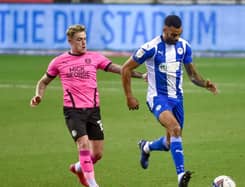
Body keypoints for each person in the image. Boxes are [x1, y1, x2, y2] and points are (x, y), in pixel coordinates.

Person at [30, 24, 144, 187]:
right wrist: (38, 95)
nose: (83, 43)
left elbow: (120, 69)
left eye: (85, 39)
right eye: (79, 40)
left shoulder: (95, 57)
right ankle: (92, 184)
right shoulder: (58, 62)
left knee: (97, 154)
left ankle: (78, 168)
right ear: (70, 41)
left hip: (93, 111)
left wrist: (141, 75)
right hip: (73, 111)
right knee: (83, 144)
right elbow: (43, 82)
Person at [121, 15, 218, 187]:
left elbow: (192, 75)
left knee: (169, 142)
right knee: (175, 128)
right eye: (173, 34)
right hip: (157, 98)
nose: (176, 38)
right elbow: (125, 68)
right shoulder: (150, 47)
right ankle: (181, 174)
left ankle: (146, 147)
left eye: (179, 34)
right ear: (164, 30)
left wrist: (205, 84)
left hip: (177, 100)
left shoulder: (184, 46)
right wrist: (129, 96)